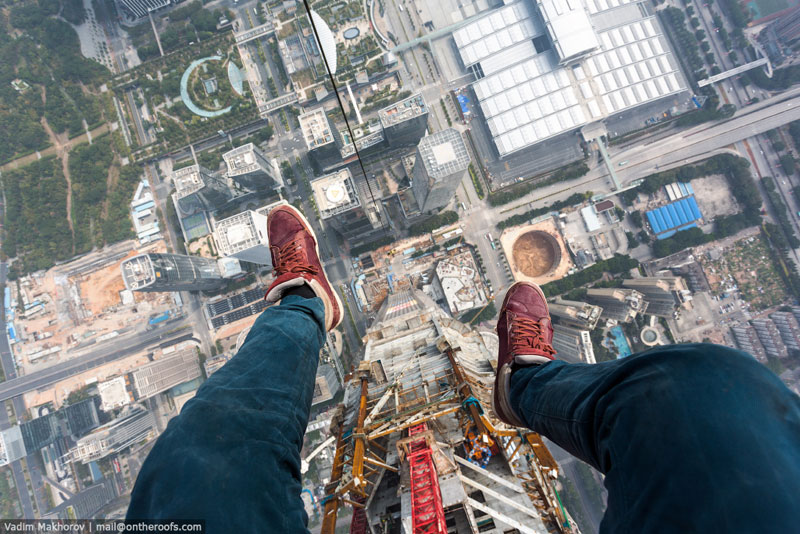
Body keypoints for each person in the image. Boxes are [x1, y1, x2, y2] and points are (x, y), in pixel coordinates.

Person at [128, 205, 800, 533]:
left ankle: (301, 304)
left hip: (393, 402)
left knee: (193, 462)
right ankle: (524, 386)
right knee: (709, 393)